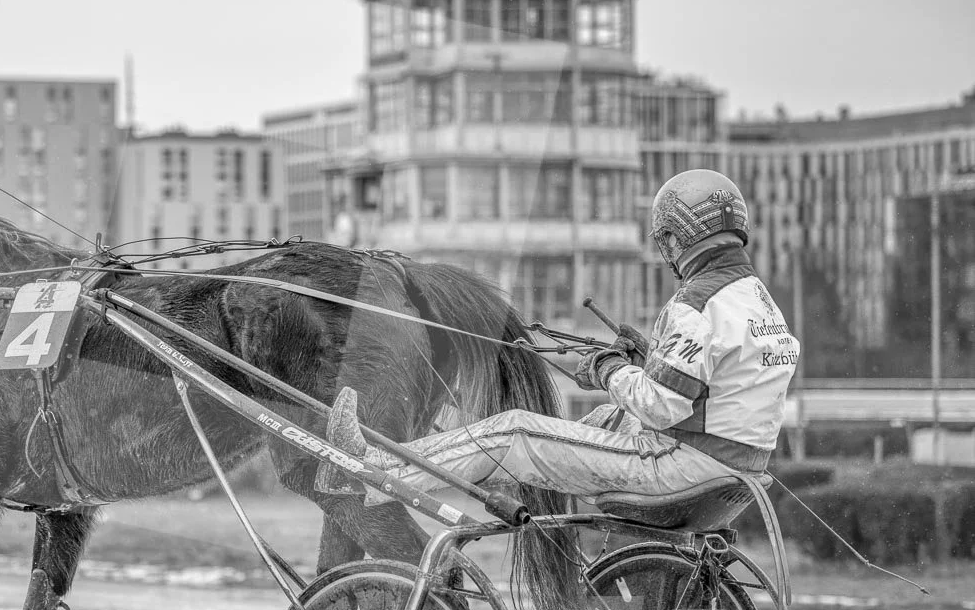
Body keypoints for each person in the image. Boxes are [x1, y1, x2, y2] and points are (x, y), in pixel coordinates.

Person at [334, 168, 800, 504]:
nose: (668, 254)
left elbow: (662, 405)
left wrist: (611, 369)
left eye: (669, 242)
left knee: (513, 428)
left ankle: (378, 470)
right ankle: (507, 474)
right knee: (600, 419)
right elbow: (712, 391)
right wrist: (651, 361)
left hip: (681, 468)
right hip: (734, 470)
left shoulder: (696, 303)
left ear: (682, 238)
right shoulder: (757, 300)